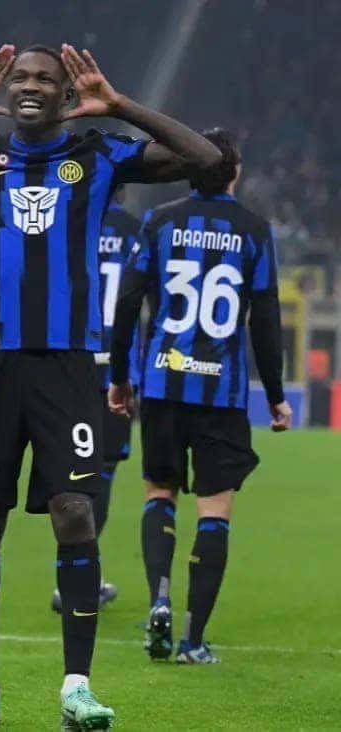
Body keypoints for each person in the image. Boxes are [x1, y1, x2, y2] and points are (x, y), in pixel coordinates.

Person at [0, 43, 221, 727]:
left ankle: (77, 690)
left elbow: (205, 159)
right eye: (19, 77)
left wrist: (120, 106)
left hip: (67, 364)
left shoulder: (99, 155)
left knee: (74, 511)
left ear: (65, 95)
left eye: (44, 79)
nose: (28, 86)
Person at [109, 128, 292, 665]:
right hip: (222, 394)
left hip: (163, 383)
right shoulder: (254, 231)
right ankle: (192, 639)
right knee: (215, 510)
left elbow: (127, 303)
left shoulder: (159, 221)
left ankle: (159, 600)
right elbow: (266, 322)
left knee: (159, 493)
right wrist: (275, 394)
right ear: (234, 171)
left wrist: (120, 375)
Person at [51, 185, 142, 614]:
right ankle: (80, 579)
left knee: (70, 474)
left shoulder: (67, 224)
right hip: (112, 370)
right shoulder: (135, 230)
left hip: (65, 364)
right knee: (101, 475)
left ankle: (70, 578)